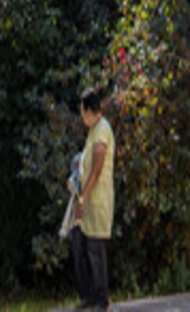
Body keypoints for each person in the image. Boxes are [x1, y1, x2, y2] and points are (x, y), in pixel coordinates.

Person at [71, 87, 115, 310]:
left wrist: (82, 198)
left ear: (90, 111)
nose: (81, 116)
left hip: (97, 201)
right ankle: (88, 297)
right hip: (86, 199)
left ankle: (101, 299)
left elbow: (97, 170)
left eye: (82, 111)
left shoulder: (102, 130)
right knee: (80, 245)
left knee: (95, 250)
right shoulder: (93, 131)